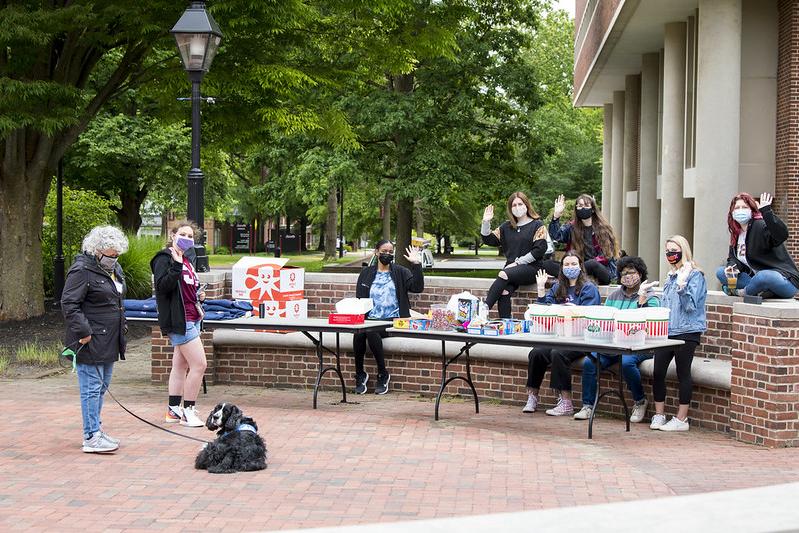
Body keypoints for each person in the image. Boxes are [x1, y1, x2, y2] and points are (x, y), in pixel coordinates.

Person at [61, 225, 129, 453]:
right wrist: (83, 332)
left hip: (110, 338)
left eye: (116, 255)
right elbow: (69, 303)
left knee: (102, 387)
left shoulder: (113, 268)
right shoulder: (81, 270)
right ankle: (90, 436)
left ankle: (96, 429)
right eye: (110, 255)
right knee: (91, 388)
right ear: (97, 251)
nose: (114, 259)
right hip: (89, 340)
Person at [573, 256, 660, 423]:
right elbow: (606, 319)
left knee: (627, 363)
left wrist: (641, 301)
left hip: (641, 346)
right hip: (614, 344)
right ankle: (588, 405)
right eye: (624, 273)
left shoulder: (650, 295)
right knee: (590, 362)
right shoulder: (614, 296)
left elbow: (649, 322)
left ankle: (640, 400)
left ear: (640, 274)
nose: (628, 276)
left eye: (632, 272)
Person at [524, 252, 601, 416]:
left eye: (574, 264)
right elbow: (544, 309)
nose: (570, 268)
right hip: (559, 336)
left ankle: (566, 402)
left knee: (558, 353)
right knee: (536, 353)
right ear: (562, 268)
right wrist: (540, 288)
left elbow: (589, 314)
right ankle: (532, 396)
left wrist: (568, 310)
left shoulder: (589, 288)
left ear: (581, 266)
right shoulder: (558, 287)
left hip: (581, 339)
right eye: (567, 265)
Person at [151, 220, 208, 427]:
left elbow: (187, 289)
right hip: (179, 320)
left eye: (191, 236)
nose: (187, 238)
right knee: (200, 364)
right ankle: (188, 410)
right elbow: (162, 287)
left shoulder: (187, 260)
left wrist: (198, 295)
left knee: (180, 365)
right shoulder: (164, 258)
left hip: (192, 315)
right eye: (183, 234)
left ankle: (173, 410)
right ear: (173, 234)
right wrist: (175, 265)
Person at [650, 235, 707, 432]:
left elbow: (692, 307)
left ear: (683, 250)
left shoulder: (695, 275)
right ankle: (659, 414)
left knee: (683, 372)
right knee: (657, 372)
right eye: (668, 251)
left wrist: (683, 288)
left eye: (674, 251)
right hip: (667, 331)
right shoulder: (671, 275)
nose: (670, 255)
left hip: (687, 331)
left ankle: (682, 419)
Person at [353, 240, 424, 395]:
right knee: (359, 333)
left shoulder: (400, 272)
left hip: (394, 320)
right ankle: (360, 374)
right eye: (384, 251)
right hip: (370, 319)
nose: (387, 254)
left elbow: (418, 288)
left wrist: (417, 264)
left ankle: (383, 374)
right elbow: (359, 298)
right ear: (376, 252)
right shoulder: (366, 273)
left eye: (390, 251)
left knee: (370, 331)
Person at [716, 192, 799, 299]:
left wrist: (767, 212)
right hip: (755, 280)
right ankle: (761, 291)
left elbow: (781, 235)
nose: (740, 210)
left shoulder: (760, 226)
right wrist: (732, 267)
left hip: (782, 281)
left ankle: (742, 292)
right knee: (721, 272)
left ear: (751, 210)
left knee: (763, 276)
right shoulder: (736, 234)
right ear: (732, 212)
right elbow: (734, 259)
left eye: (744, 207)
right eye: (737, 208)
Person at [480, 192, 549, 318]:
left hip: (532, 267)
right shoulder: (506, 227)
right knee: (504, 292)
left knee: (503, 274)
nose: (517, 207)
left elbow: (539, 250)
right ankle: (505, 323)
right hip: (512, 269)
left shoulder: (538, 225)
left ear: (526, 205)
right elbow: (489, 240)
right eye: (514, 205)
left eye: (520, 204)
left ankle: (484, 309)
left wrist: (518, 262)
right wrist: (485, 222)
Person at [548, 194, 620, 285]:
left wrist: (578, 267)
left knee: (592, 264)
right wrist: (556, 217)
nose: (583, 208)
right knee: (547, 264)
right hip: (575, 266)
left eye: (586, 206)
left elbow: (606, 256)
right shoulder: (571, 227)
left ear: (593, 209)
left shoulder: (603, 229)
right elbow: (556, 236)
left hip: (599, 269)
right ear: (576, 209)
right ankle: (573, 277)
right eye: (580, 206)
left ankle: (567, 278)